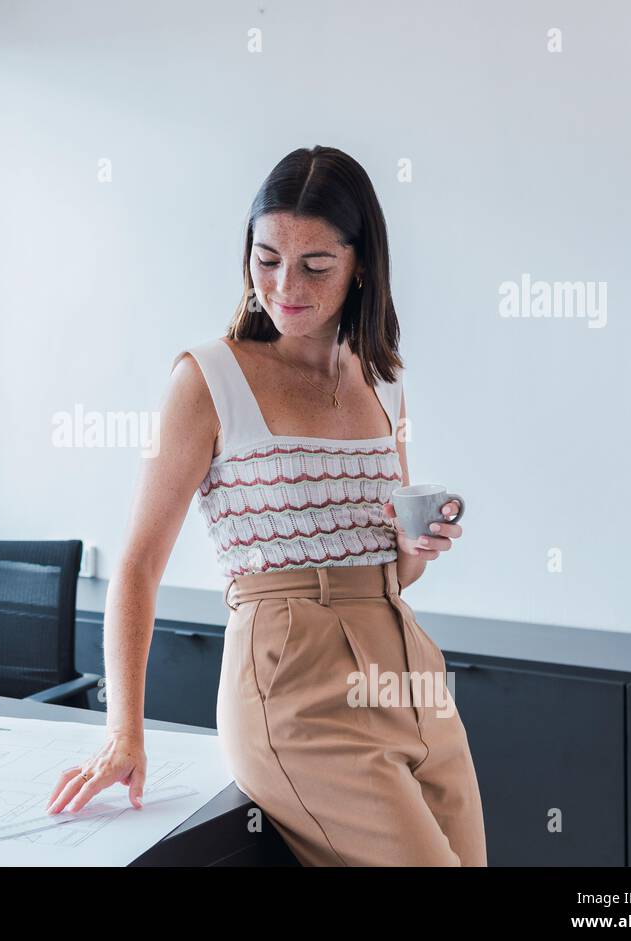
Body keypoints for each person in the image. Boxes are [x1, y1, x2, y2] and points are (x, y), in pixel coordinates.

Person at [44, 145, 487, 866]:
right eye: (267, 257)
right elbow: (137, 565)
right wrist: (123, 733)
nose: (285, 285)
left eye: (316, 265)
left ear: (361, 264)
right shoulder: (208, 379)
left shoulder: (384, 379)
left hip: (407, 671)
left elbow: (396, 574)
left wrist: (417, 549)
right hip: (293, 692)